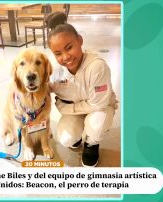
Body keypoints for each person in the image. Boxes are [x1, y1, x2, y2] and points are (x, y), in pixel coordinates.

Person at [47, 12, 118, 167]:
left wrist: (66, 108)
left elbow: (98, 104)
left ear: (80, 40)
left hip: (99, 108)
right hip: (76, 110)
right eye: (58, 53)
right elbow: (44, 89)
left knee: (97, 122)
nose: (65, 57)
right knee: (66, 138)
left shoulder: (96, 66)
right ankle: (77, 135)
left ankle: (92, 143)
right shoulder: (56, 72)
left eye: (69, 47)